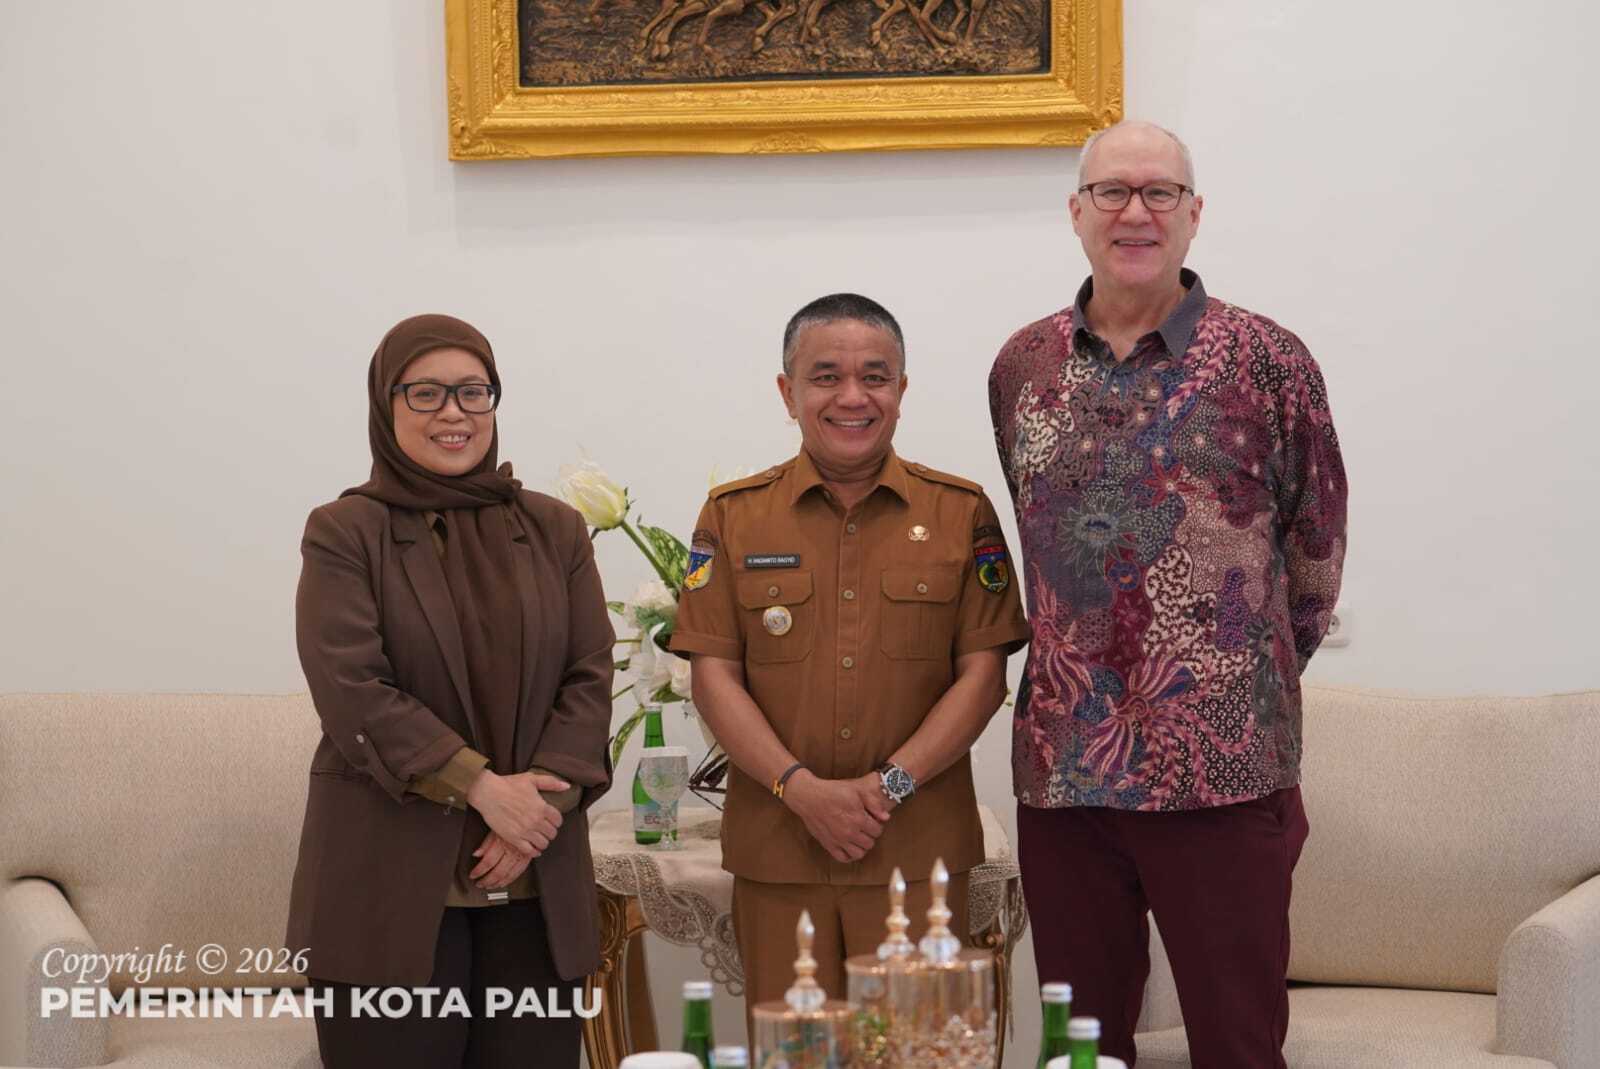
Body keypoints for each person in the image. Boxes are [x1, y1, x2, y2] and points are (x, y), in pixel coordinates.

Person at [988, 122, 1348, 1068]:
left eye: (1160, 192)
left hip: (1222, 772)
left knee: (1237, 1046)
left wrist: (1230, 669)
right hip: (1065, 773)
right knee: (1080, 1051)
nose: (1135, 212)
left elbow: (1315, 555)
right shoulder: (1022, 367)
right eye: (1112, 191)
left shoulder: (1268, 360)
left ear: (1195, 215)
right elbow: (1038, 536)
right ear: (1077, 213)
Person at [670, 293, 1031, 1012]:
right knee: (795, 1052)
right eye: (826, 376)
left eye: (874, 376)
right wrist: (800, 790)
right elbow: (713, 676)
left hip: (918, 853)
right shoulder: (734, 514)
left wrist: (888, 786)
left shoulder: (960, 511)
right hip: (779, 852)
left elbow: (984, 675)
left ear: (901, 389)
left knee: (916, 1051)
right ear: (788, 392)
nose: (852, 396)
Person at [288, 313, 614, 1068]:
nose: (454, 412)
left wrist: (533, 813)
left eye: (473, 391)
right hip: (387, 883)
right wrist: (483, 790)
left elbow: (590, 676)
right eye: (426, 392)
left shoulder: (557, 529)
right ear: (386, 403)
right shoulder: (344, 532)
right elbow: (353, 688)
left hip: (534, 880)